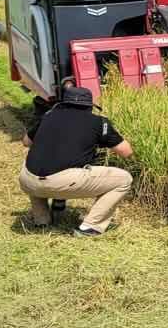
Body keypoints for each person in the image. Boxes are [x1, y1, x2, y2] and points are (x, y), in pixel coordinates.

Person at [18, 86, 134, 237]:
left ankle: (42, 220)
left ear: (63, 103)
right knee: (124, 179)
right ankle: (91, 226)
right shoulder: (98, 122)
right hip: (62, 182)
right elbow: (126, 152)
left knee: (40, 161)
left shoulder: (48, 116)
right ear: (89, 106)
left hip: (28, 181)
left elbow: (26, 142)